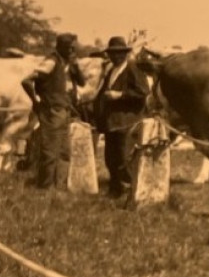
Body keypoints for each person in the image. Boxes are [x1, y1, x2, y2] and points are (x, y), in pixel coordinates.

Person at [23, 33, 87, 190]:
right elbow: (26, 81)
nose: (73, 50)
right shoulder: (51, 61)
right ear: (61, 47)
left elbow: (82, 82)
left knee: (64, 151)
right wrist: (36, 101)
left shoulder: (67, 63)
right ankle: (45, 188)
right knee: (50, 151)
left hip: (64, 110)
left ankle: (59, 186)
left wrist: (75, 65)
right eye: (70, 47)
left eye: (74, 47)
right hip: (52, 110)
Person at [92, 35, 150, 200]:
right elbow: (102, 94)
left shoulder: (133, 69)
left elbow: (143, 92)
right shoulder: (111, 70)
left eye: (118, 53)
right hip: (112, 122)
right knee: (111, 158)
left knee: (125, 158)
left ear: (125, 54)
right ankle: (115, 189)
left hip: (127, 121)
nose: (115, 56)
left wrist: (120, 95)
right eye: (112, 53)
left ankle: (129, 192)